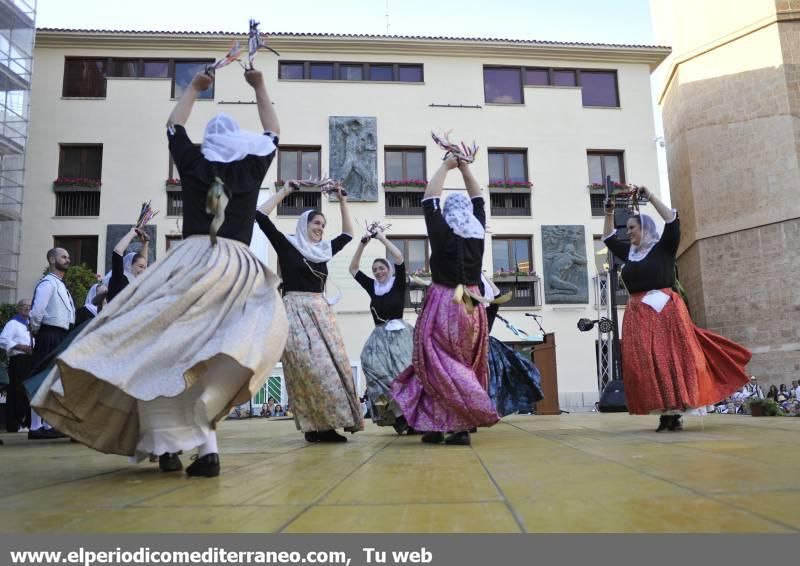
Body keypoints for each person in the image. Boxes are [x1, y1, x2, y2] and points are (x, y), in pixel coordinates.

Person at [31, 67, 288, 477]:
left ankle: (175, 444)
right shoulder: (251, 167)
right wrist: (259, 86)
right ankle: (191, 446)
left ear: (210, 144)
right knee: (198, 360)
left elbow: (173, 125)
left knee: (160, 354)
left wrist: (195, 88)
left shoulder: (194, 163)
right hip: (237, 271)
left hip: (190, 264)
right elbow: (273, 132)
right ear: (240, 144)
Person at [602, 187, 751, 431]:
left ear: (645, 229)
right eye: (627, 228)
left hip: (665, 312)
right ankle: (663, 409)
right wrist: (608, 212)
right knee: (646, 364)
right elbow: (608, 238)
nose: (628, 232)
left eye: (632, 228)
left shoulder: (664, 247)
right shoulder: (629, 254)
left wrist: (649, 197)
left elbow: (672, 219)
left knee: (669, 360)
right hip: (639, 314)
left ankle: (674, 412)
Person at [391, 155, 500, 446]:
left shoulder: (441, 231)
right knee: (462, 362)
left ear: (449, 212)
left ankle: (462, 416)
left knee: (436, 363)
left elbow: (429, 199)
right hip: (471, 302)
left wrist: (446, 167)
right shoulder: (478, 231)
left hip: (444, 300)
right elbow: (479, 198)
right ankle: (448, 425)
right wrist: (465, 168)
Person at [256, 180, 363, 444]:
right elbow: (259, 215)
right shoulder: (287, 245)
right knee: (306, 369)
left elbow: (349, 234)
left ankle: (325, 426)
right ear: (305, 224)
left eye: (323, 225)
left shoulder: (323, 251)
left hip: (321, 314)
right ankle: (313, 426)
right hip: (294, 311)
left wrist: (343, 201)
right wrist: (286, 191)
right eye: (317, 223)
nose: (320, 229)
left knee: (330, 368)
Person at [348, 227, 413, 433]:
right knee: (371, 366)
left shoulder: (398, 283)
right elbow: (353, 269)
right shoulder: (372, 287)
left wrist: (381, 238)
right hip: (379, 338)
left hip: (400, 336)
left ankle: (412, 415)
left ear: (388, 269)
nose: (378, 271)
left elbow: (399, 257)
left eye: (381, 268)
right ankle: (396, 415)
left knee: (405, 376)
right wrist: (362, 244)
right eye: (375, 269)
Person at [27, 247, 76, 440]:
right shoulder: (47, 283)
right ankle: (35, 426)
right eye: (63, 256)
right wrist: (39, 331)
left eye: (68, 256)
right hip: (49, 333)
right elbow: (37, 312)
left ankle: (48, 425)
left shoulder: (60, 284)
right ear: (51, 259)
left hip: (60, 334)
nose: (67, 259)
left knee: (55, 381)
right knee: (42, 379)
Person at [481, 275, 544, 417]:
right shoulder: (472, 309)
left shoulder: (487, 310)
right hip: (476, 348)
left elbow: (497, 295)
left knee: (488, 383)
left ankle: (483, 413)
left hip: (483, 349)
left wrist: (483, 276)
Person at [0, 299, 33, 433]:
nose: (27, 308)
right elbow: (2, 340)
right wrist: (19, 346)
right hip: (19, 360)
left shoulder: (31, 324)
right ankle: (15, 423)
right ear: (18, 308)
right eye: (24, 306)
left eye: (30, 306)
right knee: (17, 392)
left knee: (28, 393)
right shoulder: (13, 323)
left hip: (30, 360)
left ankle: (26, 423)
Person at [103, 228, 149, 302]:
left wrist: (145, 243)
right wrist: (132, 233)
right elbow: (117, 252)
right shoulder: (119, 278)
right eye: (140, 267)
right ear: (130, 265)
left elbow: (143, 261)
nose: (143, 270)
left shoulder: (136, 281)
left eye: (145, 268)